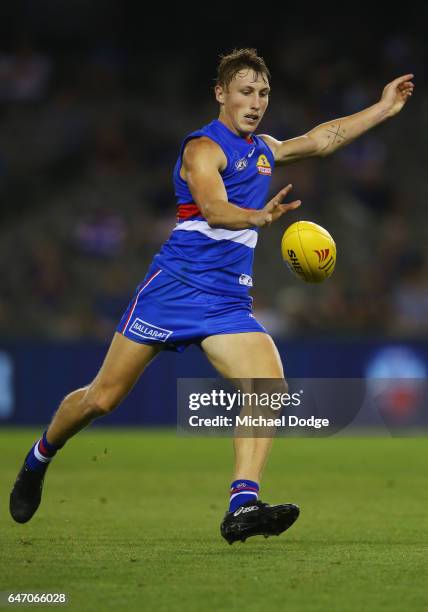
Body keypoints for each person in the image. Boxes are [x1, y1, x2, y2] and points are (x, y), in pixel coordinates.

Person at [10, 48, 414, 544]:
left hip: (225, 303)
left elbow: (320, 140)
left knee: (268, 385)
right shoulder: (203, 148)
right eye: (246, 91)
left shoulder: (264, 148)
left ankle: (242, 504)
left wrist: (382, 108)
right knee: (103, 398)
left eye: (264, 93)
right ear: (221, 94)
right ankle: (39, 458)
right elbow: (215, 209)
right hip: (173, 290)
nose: (256, 102)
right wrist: (258, 217)